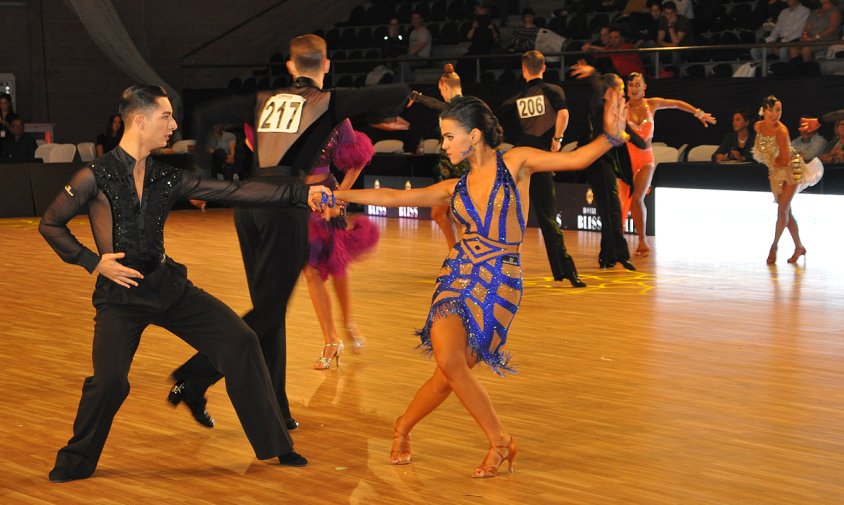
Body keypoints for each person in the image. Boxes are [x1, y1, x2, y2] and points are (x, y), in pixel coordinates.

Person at [38, 84, 330, 483]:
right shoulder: (95, 175)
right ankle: (75, 460)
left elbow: (235, 190)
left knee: (241, 340)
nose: (174, 125)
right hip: (120, 297)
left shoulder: (164, 176)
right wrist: (93, 262)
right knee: (109, 382)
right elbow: (50, 223)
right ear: (139, 121)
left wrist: (302, 192)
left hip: (168, 286)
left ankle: (276, 445)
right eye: (166, 117)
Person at [333, 91, 630, 478]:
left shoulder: (517, 162)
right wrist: (338, 195)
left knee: (450, 373)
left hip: (501, 282)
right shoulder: (455, 186)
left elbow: (573, 159)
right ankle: (500, 440)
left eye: (449, 136)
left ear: (474, 136)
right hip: (457, 277)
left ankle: (402, 426)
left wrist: (609, 138)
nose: (444, 145)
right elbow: (391, 196)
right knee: (450, 362)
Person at [169, 34, 411, 431]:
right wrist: (407, 100)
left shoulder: (263, 99)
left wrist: (199, 175)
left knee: (270, 313)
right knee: (268, 312)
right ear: (326, 65)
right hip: (286, 204)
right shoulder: (328, 101)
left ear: (290, 66)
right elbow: (396, 91)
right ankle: (193, 379)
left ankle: (277, 409)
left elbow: (207, 114)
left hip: (248, 205)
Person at [500, 50, 586, 287]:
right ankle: (566, 270)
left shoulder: (517, 98)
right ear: (544, 68)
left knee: (513, 218)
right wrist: (557, 139)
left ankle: (504, 272)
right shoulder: (553, 91)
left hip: (519, 163)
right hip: (541, 161)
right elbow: (564, 114)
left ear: (524, 69)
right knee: (548, 218)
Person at [304, 119, 378, 369]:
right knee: (310, 271)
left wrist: (337, 198)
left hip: (326, 198)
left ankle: (348, 322)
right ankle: (331, 339)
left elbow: (359, 158)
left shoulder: (334, 113)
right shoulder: (283, 110)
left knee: (336, 264)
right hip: (295, 199)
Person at [621, 71, 715, 256]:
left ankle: (642, 240)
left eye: (638, 85)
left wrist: (698, 113)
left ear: (645, 87)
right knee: (623, 201)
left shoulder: (652, 104)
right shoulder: (622, 108)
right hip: (626, 158)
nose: (634, 89)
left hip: (645, 158)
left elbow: (676, 104)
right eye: (631, 85)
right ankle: (618, 240)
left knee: (638, 197)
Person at [571, 61, 645, 270]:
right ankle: (619, 254)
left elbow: (630, 133)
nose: (623, 93)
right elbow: (599, 85)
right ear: (610, 90)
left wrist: (643, 144)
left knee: (608, 209)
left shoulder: (613, 109)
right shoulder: (599, 104)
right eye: (621, 89)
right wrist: (593, 72)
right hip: (597, 162)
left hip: (606, 162)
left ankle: (608, 256)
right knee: (611, 209)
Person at [752, 95, 823, 264]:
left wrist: (771, 160)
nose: (775, 113)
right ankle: (799, 247)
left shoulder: (781, 130)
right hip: (775, 172)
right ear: (764, 110)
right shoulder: (758, 126)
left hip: (791, 170)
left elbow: (784, 160)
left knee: (782, 211)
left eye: (779, 110)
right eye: (772, 110)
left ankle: (774, 246)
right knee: (787, 213)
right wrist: (771, 162)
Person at [409, 63, 467, 249]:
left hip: (461, 164)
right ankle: (455, 252)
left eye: (440, 89)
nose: (440, 92)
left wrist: (418, 97)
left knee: (464, 215)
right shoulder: (450, 107)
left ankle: (468, 255)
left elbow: (439, 105)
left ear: (444, 87)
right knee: (438, 212)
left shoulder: (463, 105)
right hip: (447, 163)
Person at [400, 11, 432, 83]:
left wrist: (407, 55)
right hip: (413, 56)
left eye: (417, 19)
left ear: (421, 20)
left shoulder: (424, 32)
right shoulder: (413, 32)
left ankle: (409, 83)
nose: (415, 21)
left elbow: (419, 47)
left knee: (403, 60)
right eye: (413, 19)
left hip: (422, 58)